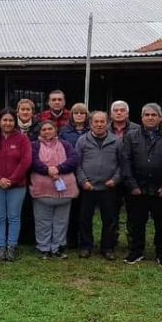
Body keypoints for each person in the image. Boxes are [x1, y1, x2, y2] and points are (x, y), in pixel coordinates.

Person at [120, 103, 162, 266]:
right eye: (146, 115)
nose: (150, 118)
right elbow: (125, 162)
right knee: (136, 223)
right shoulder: (131, 136)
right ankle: (136, 251)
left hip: (161, 189)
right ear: (141, 118)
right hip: (137, 189)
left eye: (153, 115)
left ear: (161, 118)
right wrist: (132, 185)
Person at [0, 108, 32, 262]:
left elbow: (26, 161)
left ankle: (12, 246)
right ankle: (1, 247)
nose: (7, 123)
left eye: (10, 120)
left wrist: (12, 179)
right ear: (0, 122)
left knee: (14, 216)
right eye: (5, 120)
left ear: (14, 121)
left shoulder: (22, 139)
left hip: (17, 185)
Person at [74, 110, 121, 260]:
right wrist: (83, 181)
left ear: (107, 123)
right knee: (85, 218)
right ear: (90, 123)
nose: (99, 124)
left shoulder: (117, 141)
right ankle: (86, 246)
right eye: (96, 122)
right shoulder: (82, 141)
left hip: (109, 188)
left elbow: (123, 164)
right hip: (88, 187)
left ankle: (107, 247)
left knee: (110, 219)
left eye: (102, 122)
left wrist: (115, 179)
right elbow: (77, 164)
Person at [30, 121, 79, 258]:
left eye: (50, 129)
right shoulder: (34, 145)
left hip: (65, 191)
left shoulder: (66, 144)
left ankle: (58, 246)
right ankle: (43, 247)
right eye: (44, 129)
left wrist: (59, 168)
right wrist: (47, 170)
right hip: (42, 191)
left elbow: (74, 159)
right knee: (42, 221)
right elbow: (33, 161)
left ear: (56, 130)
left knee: (61, 221)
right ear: (40, 132)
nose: (47, 131)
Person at [109, 100, 140, 252]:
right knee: (111, 211)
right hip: (111, 176)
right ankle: (111, 241)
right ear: (111, 113)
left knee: (133, 211)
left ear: (127, 113)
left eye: (122, 110)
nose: (119, 113)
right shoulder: (104, 128)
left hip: (131, 175)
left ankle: (133, 241)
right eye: (116, 110)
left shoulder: (137, 129)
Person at [60, 102, 90, 249]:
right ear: (71, 115)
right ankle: (70, 239)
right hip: (69, 173)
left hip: (87, 174)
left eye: (82, 113)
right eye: (76, 113)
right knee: (71, 209)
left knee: (84, 210)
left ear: (86, 116)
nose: (79, 115)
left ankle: (84, 239)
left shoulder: (92, 130)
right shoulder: (64, 131)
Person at [16, 98, 40, 246]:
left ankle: (30, 237)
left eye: (28, 109)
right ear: (17, 111)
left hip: (34, 171)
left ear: (33, 112)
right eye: (22, 109)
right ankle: (16, 237)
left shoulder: (39, 128)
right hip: (15, 171)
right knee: (17, 205)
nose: (25, 112)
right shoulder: (11, 127)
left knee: (31, 205)